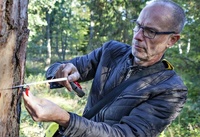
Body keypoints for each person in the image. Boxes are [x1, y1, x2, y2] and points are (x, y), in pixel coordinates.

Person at [22, 0, 188, 136]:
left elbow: (127, 134)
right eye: (138, 26)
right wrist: (62, 71)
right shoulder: (112, 52)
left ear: (172, 40)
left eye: (150, 32)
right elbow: (56, 69)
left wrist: (65, 119)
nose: (137, 37)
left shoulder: (171, 90)